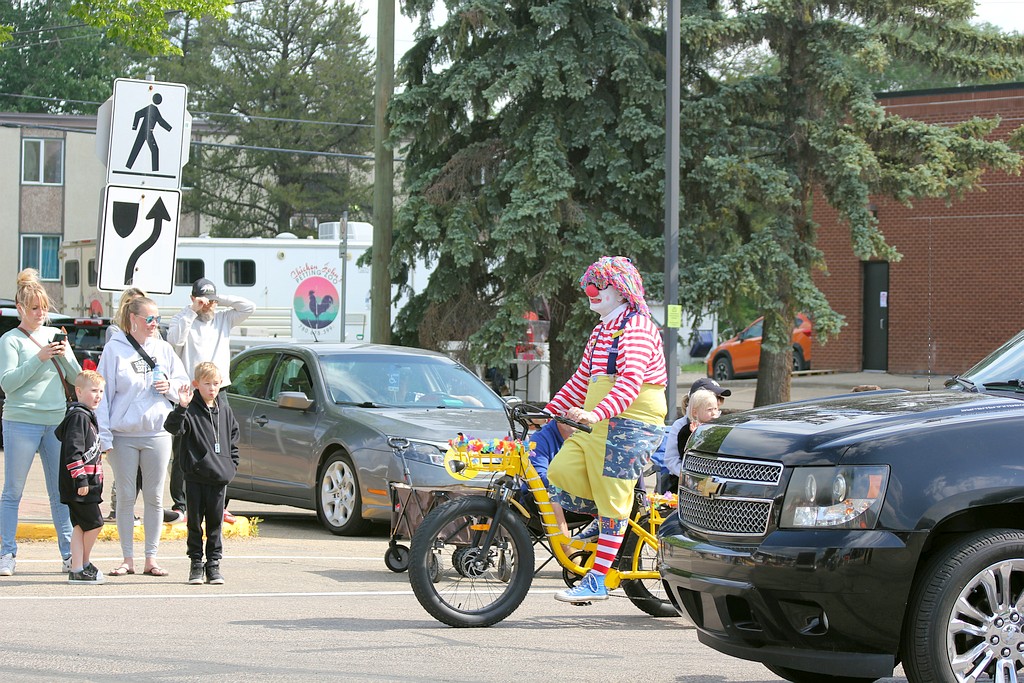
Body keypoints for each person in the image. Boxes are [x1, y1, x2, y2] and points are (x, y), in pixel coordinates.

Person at [545, 256, 667, 604]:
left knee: (613, 497)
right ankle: (608, 518)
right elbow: (582, 380)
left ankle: (598, 580)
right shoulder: (601, 331)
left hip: (631, 423)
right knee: (560, 472)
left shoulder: (638, 327)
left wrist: (594, 413)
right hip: (598, 421)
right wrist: (548, 411)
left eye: (601, 284)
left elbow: (629, 384)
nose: (591, 290)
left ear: (622, 289)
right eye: (590, 283)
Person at [96, 296, 188, 577]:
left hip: (157, 433)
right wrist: (104, 437)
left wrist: (168, 386)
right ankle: (128, 559)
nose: (154, 324)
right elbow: (102, 396)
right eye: (149, 319)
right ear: (133, 319)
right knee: (126, 497)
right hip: (123, 435)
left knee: (154, 497)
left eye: (157, 319)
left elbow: (184, 387)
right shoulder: (114, 349)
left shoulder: (164, 348)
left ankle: (151, 558)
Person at [0, 269, 81, 576]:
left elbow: (76, 378)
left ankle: (68, 554)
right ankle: (7, 553)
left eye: (44, 307)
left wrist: (65, 354)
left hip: (56, 421)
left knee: (60, 491)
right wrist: (40, 358)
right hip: (21, 420)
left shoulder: (54, 335)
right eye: (34, 308)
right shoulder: (10, 340)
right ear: (20, 308)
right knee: (13, 491)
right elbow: (8, 383)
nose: (40, 313)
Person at [165, 278, 253, 522]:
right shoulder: (184, 317)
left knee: (221, 443)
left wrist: (218, 298)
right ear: (193, 299)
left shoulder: (224, 318)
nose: (208, 305)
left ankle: (220, 503)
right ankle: (180, 504)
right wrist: (193, 309)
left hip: (218, 389)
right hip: (191, 390)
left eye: (210, 301)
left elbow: (249, 307)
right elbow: (174, 340)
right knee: (182, 446)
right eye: (203, 300)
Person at [164, 361, 239, 585]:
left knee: (215, 522)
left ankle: (213, 564)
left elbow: (233, 438)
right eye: (207, 384)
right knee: (195, 523)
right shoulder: (190, 409)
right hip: (195, 476)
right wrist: (181, 407)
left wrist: (232, 465)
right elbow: (173, 428)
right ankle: (196, 563)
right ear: (196, 384)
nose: (212, 388)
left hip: (218, 476)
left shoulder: (224, 410)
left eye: (215, 384)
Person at [56, 370, 107, 584]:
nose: (98, 395)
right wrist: (81, 479)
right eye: (93, 390)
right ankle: (82, 564)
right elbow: (73, 451)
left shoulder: (87, 416)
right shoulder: (79, 417)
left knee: (80, 526)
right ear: (78, 391)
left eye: (101, 391)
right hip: (79, 485)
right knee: (95, 523)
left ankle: (78, 567)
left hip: (87, 483)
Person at [661, 378, 731, 494]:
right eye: (714, 397)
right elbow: (671, 460)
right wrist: (692, 477)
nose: (718, 402)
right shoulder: (681, 426)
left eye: (719, 399)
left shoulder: (719, 424)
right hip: (683, 482)